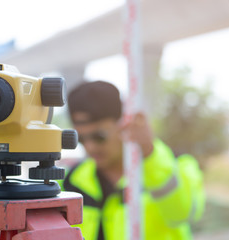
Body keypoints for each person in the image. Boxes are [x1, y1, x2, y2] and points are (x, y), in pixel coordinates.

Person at [63, 80, 205, 240]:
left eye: (99, 136)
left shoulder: (178, 165)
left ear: (124, 123)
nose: (90, 147)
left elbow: (181, 214)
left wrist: (149, 153)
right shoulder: (70, 181)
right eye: (81, 138)